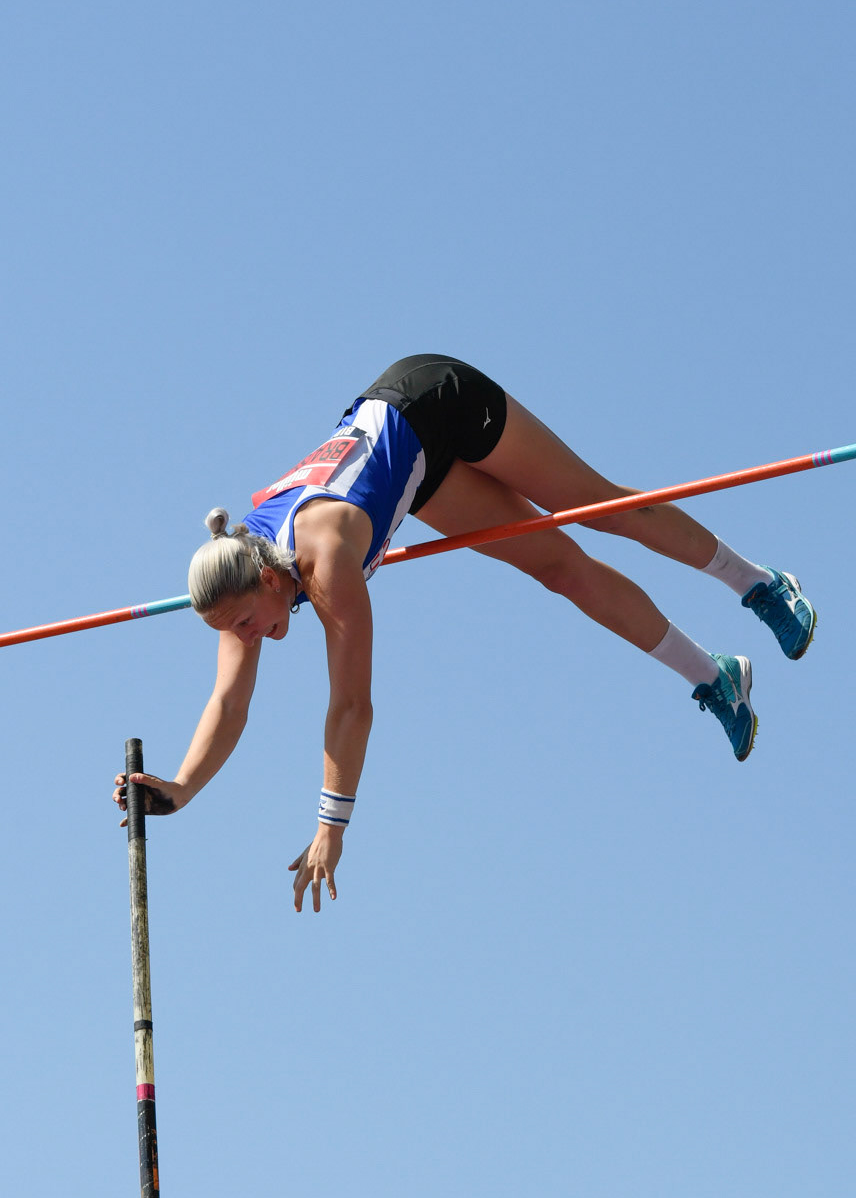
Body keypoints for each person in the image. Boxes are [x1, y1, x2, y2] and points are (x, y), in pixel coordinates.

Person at [113, 354, 815, 912]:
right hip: (415, 472)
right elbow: (229, 705)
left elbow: (352, 705)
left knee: (601, 510)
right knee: (561, 571)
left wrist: (331, 826)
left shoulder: (324, 562)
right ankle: (715, 677)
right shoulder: (237, 583)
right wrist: (179, 789)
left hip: (432, 402)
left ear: (268, 583)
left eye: (246, 625)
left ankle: (756, 581)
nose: (252, 639)